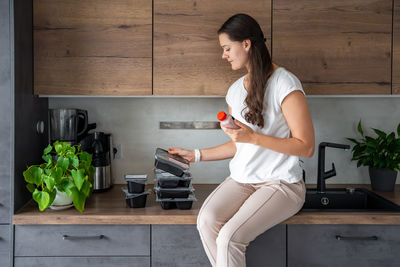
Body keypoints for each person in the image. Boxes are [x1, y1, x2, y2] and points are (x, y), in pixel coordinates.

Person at [168, 13, 315, 267]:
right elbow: (239, 144)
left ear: (246, 44)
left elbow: (306, 146)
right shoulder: (235, 91)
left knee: (229, 238)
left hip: (281, 184)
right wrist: (196, 155)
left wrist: (254, 137)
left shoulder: (285, 84)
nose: (223, 55)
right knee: (206, 220)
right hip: (244, 180)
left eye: (227, 48)